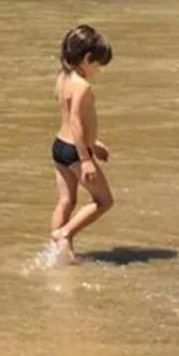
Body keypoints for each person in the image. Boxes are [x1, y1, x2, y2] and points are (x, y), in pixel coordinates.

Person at [50, 24, 115, 265]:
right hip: (77, 153)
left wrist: (93, 141)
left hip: (60, 146)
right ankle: (65, 234)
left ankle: (57, 252)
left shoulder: (62, 77)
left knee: (66, 201)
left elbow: (67, 115)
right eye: (98, 65)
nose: (99, 71)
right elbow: (76, 119)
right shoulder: (83, 86)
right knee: (104, 201)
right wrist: (86, 158)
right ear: (87, 58)